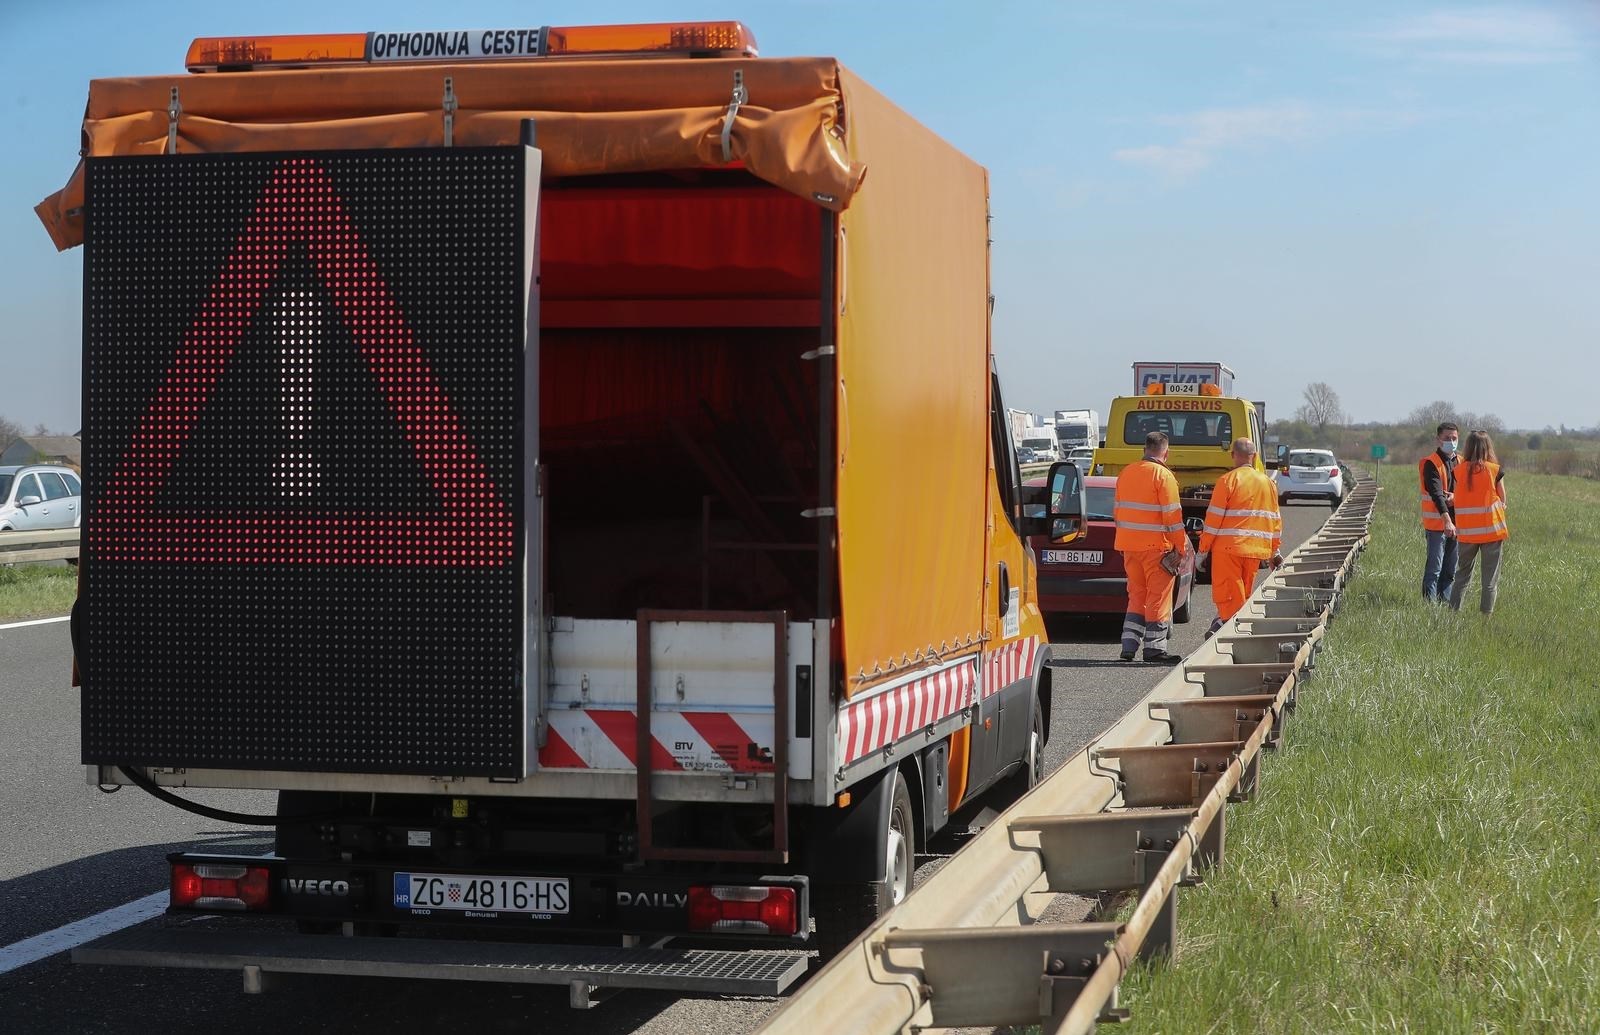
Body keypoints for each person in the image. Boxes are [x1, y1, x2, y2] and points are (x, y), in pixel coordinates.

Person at [1113, 431, 1190, 664]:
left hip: (1129, 546)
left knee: (1137, 595)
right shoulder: (1163, 476)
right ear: (1166, 452)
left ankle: (1129, 646)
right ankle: (1155, 649)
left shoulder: (1126, 472)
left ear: (1145, 449)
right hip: (1156, 548)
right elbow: (1172, 518)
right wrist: (1181, 548)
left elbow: (1117, 511)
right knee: (1158, 597)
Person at [1196, 438, 1283, 638]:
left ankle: (1224, 630)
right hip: (1255, 552)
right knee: (1241, 596)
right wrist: (1274, 551)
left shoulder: (1228, 481)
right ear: (1254, 456)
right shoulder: (1268, 483)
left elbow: (1213, 520)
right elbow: (1275, 521)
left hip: (1228, 550)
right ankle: (1227, 630)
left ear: (1233, 455)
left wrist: (1203, 551)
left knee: (1228, 596)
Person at [1449, 430, 1508, 614]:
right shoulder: (1495, 470)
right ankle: (1485, 620)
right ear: (1488, 447)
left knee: (1462, 576)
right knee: (1489, 581)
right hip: (1492, 532)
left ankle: (1452, 614)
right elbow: (1503, 501)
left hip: (1467, 534)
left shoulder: (1458, 471)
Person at [1419, 421, 1460, 602]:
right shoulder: (1431, 464)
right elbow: (1436, 495)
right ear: (1438, 440)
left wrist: (1456, 498)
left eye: (1454, 438)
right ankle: (1430, 608)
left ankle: (1446, 607)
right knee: (1434, 570)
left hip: (1458, 524)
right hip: (1437, 525)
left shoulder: (1461, 462)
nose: (1451, 441)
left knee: (1450, 571)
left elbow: (1467, 492)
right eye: (1447, 438)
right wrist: (1447, 521)